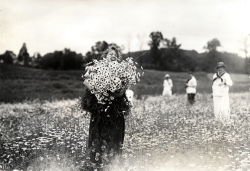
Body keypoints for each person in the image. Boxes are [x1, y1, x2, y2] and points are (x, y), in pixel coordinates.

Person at [81, 47, 132, 170]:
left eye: (115, 54)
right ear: (105, 56)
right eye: (110, 54)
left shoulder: (122, 70)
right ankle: (95, 165)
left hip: (114, 109)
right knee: (97, 136)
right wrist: (98, 89)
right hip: (100, 109)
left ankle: (113, 165)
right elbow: (86, 81)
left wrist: (114, 91)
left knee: (114, 137)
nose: (113, 56)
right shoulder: (96, 68)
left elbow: (123, 89)